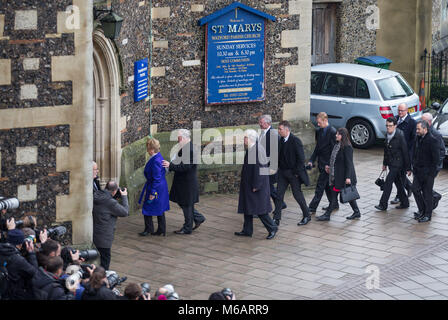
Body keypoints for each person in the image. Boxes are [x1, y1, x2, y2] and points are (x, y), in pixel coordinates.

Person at [235, 129, 278, 240]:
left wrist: (257, 185)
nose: (243, 140)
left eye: (245, 137)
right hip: (249, 184)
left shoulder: (257, 150)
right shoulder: (252, 149)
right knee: (247, 208)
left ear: (250, 138)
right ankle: (247, 230)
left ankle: (272, 227)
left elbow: (261, 169)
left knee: (260, 210)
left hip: (256, 186)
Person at [162, 129, 205, 234]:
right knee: (185, 204)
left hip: (187, 183)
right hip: (184, 182)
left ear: (184, 138)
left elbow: (185, 167)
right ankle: (198, 218)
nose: (178, 140)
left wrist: (170, 165)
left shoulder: (189, 150)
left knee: (186, 205)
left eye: (179, 138)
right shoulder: (186, 148)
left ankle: (187, 228)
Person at [272, 121, 311, 226]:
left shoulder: (295, 141)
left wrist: (295, 173)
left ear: (287, 130)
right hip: (282, 173)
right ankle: (276, 219)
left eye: (280, 129)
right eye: (278, 129)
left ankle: (307, 215)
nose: (278, 131)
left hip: (293, 174)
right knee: (279, 195)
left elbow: (301, 159)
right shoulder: (280, 140)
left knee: (297, 195)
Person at [317, 128, 361, 221]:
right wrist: (330, 167)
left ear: (342, 136)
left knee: (336, 195)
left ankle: (327, 215)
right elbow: (335, 160)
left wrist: (348, 177)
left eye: (338, 134)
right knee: (340, 195)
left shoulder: (347, 147)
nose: (336, 135)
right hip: (337, 176)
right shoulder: (338, 145)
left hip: (343, 177)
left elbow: (349, 163)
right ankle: (356, 212)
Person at [374, 117, 411, 211]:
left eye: (390, 126)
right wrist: (384, 164)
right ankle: (405, 202)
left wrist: (408, 168)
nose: (388, 128)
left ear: (395, 126)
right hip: (391, 163)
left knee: (388, 183)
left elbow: (405, 152)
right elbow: (386, 151)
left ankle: (383, 204)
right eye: (386, 126)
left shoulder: (400, 135)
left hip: (398, 164)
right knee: (399, 184)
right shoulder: (387, 134)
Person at [92, 180, 129, 270]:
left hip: (95, 233)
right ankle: (101, 280)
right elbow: (125, 212)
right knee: (105, 261)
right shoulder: (110, 203)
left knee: (97, 259)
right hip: (105, 237)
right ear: (114, 191)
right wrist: (124, 196)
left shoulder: (96, 195)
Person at [138, 138, 170, 236]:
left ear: (151, 149)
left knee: (147, 208)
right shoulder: (159, 157)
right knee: (159, 208)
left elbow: (156, 178)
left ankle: (149, 229)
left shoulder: (155, 160)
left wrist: (152, 192)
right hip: (160, 187)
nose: (147, 151)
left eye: (148, 149)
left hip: (155, 187)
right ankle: (161, 229)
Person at [307, 112, 337, 213]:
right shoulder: (319, 131)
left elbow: (334, 151)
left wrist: (329, 165)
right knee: (327, 186)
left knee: (320, 186)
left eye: (319, 122)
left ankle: (312, 207)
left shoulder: (332, 132)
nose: (318, 124)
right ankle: (334, 204)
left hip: (327, 165)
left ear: (325, 120)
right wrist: (311, 160)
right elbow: (317, 148)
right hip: (321, 163)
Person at [412, 120, 440, 222]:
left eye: (419, 129)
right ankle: (422, 210)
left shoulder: (433, 140)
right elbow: (415, 153)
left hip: (428, 173)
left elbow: (436, 159)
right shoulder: (418, 138)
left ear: (425, 129)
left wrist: (431, 174)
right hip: (418, 171)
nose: (417, 131)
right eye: (416, 129)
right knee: (414, 189)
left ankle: (427, 215)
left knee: (427, 194)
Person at [0, 224, 38, 300]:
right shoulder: (18, 260)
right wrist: (31, 253)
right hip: (14, 294)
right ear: (21, 244)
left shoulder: (2, 250)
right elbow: (35, 273)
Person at [258, 115, 286, 210]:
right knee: (268, 187)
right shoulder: (263, 132)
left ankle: (263, 209)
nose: (260, 124)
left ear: (268, 123)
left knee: (266, 187)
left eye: (261, 122)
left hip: (269, 166)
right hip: (263, 165)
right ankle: (280, 203)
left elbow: (274, 153)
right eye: (260, 122)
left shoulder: (273, 134)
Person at [391, 103, 416, 204]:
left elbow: (413, 142)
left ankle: (399, 195)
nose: (400, 113)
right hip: (395, 153)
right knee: (398, 174)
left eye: (402, 111)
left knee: (398, 175)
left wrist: (409, 157)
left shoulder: (412, 123)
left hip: (404, 154)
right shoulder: (395, 119)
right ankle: (409, 187)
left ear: (407, 111)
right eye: (399, 111)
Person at [421, 112, 445, 210]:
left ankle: (428, 207)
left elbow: (442, 151)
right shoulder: (421, 132)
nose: (420, 122)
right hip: (423, 166)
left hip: (432, 167)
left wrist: (434, 165)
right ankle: (434, 197)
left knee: (425, 186)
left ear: (429, 123)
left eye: (423, 121)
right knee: (423, 186)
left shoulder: (436, 135)